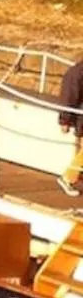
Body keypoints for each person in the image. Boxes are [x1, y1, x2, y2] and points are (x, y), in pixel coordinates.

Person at [60, 57, 83, 197]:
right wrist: (65, 120)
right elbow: (70, 94)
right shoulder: (78, 72)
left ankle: (72, 177)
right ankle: (68, 177)